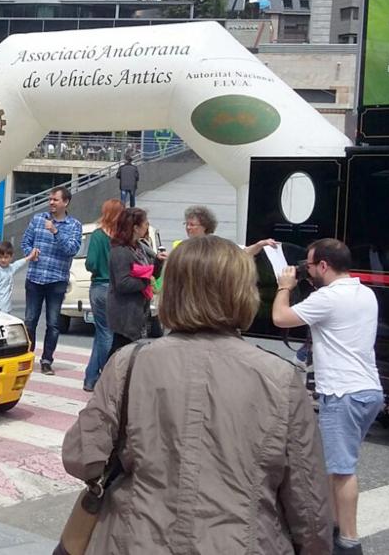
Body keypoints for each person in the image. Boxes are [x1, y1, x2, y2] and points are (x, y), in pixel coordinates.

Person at [63, 235, 332, 554]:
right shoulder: (280, 378)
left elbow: (82, 459)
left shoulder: (130, 364)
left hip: (134, 539)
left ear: (172, 290)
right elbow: (309, 502)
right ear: (243, 292)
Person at [272, 238, 381, 555]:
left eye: (309, 265)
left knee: (342, 468)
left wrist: (284, 286)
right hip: (369, 390)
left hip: (342, 393)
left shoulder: (329, 298)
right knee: (336, 466)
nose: (306, 271)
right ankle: (334, 527)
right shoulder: (365, 293)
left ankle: (348, 541)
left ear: (323, 265)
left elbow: (280, 317)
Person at [20, 187, 82, 375]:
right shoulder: (38, 219)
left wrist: (55, 231)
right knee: (30, 320)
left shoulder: (74, 225)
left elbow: (72, 250)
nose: (51, 203)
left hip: (57, 280)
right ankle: (27, 358)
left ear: (66, 202)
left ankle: (47, 360)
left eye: (55, 200)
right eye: (50, 199)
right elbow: (25, 242)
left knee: (53, 323)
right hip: (35, 278)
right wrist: (30, 253)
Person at [83, 198, 123, 392]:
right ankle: (104, 377)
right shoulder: (120, 238)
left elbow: (89, 263)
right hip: (113, 288)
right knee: (108, 333)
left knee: (101, 333)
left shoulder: (98, 235)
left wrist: (98, 267)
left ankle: (90, 377)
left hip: (97, 286)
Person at [107, 207, 161, 355]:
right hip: (125, 311)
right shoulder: (120, 251)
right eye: (145, 224)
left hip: (138, 310)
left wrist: (158, 264)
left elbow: (151, 272)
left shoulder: (140, 247)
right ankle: (104, 375)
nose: (147, 227)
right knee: (120, 350)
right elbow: (123, 283)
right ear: (135, 228)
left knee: (128, 351)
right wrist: (146, 282)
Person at [180, 204, 277, 256]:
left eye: (192, 225)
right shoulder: (182, 246)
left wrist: (259, 245)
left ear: (204, 226)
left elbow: (244, 252)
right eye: (186, 224)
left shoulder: (217, 245)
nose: (188, 228)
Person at [0, 240, 38, 313]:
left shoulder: (9, 268)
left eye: (6, 257)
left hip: (7, 308)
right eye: (0, 257)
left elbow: (17, 264)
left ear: (11, 257)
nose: (3, 260)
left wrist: (30, 257)